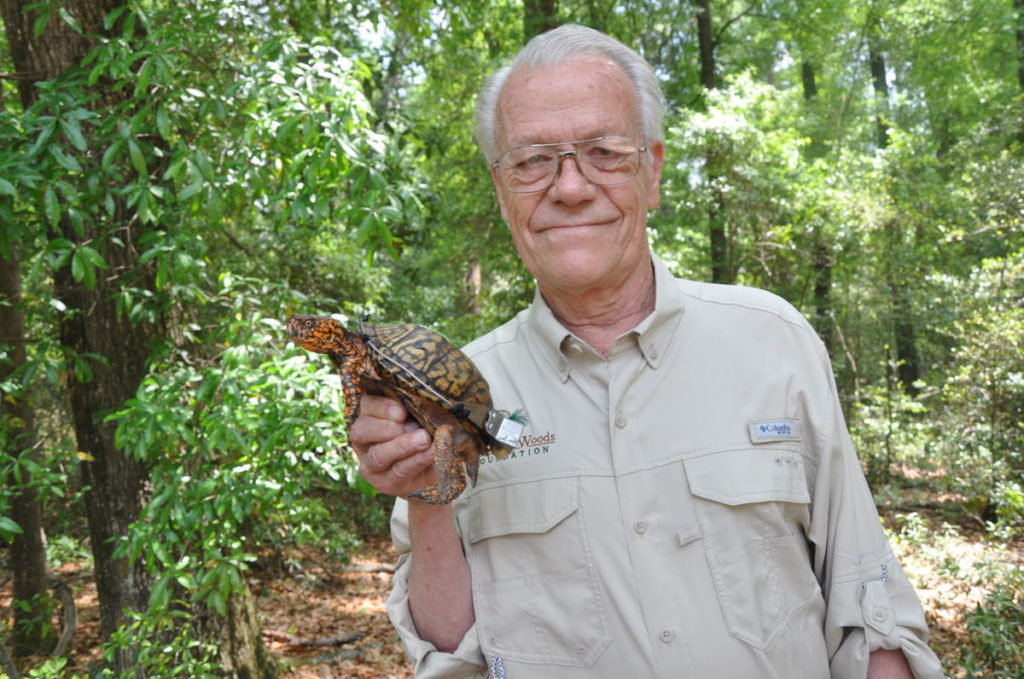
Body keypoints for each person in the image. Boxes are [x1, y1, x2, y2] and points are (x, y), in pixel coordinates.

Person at [349, 24, 943, 679]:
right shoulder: (453, 394)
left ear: (651, 171)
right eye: (532, 160)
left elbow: (868, 602)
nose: (570, 187)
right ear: (501, 192)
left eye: (604, 151)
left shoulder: (774, 341)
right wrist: (428, 497)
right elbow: (450, 654)